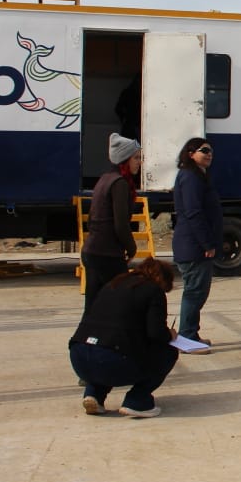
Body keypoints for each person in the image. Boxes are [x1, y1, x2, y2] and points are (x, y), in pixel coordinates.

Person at [68, 256, 179, 418]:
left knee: (103, 348)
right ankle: (137, 401)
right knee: (168, 351)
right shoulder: (153, 290)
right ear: (162, 279)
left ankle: (94, 395)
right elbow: (156, 334)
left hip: (79, 357)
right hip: (111, 362)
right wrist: (170, 334)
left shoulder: (113, 283)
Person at [81, 133, 142, 315]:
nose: (139, 162)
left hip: (92, 250)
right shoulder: (119, 183)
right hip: (106, 254)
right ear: (125, 160)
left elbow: (92, 218)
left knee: (93, 304)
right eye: (136, 158)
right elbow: (121, 224)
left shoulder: (104, 179)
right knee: (121, 303)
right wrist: (131, 249)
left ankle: (84, 340)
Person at [172, 137, 222, 347]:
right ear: (190, 154)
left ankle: (191, 333)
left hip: (195, 245)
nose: (209, 154)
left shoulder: (198, 176)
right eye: (204, 150)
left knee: (198, 291)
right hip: (193, 246)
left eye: (210, 150)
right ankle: (187, 338)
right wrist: (207, 243)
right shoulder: (190, 177)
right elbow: (193, 213)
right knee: (194, 292)